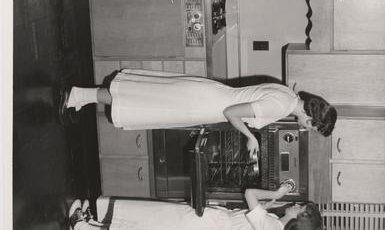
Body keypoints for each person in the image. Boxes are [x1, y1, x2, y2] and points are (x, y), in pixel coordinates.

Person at [59, 69, 337, 155]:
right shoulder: (282, 106)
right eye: (311, 127)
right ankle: (78, 95)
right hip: (204, 105)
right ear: (311, 119)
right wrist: (250, 137)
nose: (305, 128)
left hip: (206, 96)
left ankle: (81, 97)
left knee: (145, 96)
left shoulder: (289, 94)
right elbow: (232, 112)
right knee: (140, 101)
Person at [68, 182, 322, 230]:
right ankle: (90, 219)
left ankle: (81, 229)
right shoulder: (275, 228)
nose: (297, 204)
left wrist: (276, 191)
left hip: (203, 227)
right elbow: (254, 214)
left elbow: (249, 194)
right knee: (147, 217)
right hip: (207, 225)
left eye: (301, 208)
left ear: (300, 218)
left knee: (143, 227)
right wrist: (274, 200)